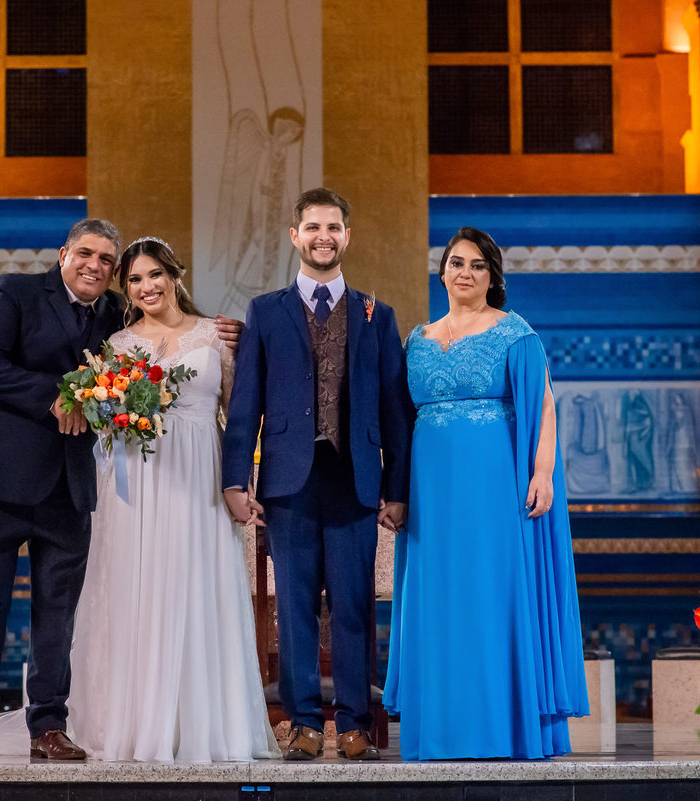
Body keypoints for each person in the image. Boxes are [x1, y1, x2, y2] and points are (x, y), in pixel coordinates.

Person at [0, 219, 243, 761]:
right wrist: (55, 396)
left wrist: (229, 336)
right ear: (64, 253)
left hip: (72, 485)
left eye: (108, 262)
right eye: (87, 254)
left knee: (58, 611)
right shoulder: (16, 292)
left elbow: (162, 352)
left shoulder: (116, 317)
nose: (96, 267)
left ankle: (48, 727)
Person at [66, 237, 279, 763]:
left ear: (175, 275)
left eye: (155, 275)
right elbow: (101, 420)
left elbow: (240, 418)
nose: (147, 287)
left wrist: (239, 483)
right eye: (135, 280)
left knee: (195, 587)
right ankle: (140, 724)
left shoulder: (218, 335)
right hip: (138, 484)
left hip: (199, 478)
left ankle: (205, 724)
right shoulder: (116, 345)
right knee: (139, 590)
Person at [383, 226, 589, 760]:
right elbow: (400, 420)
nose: (465, 273)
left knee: (489, 594)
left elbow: (543, 409)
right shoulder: (417, 340)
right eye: (456, 263)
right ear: (442, 271)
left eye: (477, 265)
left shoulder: (515, 333)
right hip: (430, 491)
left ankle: (499, 725)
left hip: (493, 486)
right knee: (438, 598)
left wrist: (542, 474)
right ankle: (442, 729)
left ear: (492, 276)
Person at [222, 188, 413, 761]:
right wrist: (236, 480)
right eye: (312, 227)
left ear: (346, 237)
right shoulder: (265, 311)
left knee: (353, 607)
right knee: (296, 606)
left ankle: (355, 722)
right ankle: (303, 723)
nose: (323, 237)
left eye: (333, 227)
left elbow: (394, 411)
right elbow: (245, 404)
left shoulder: (376, 316)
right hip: (288, 481)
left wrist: (397, 491)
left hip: (354, 477)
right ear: (294, 236)